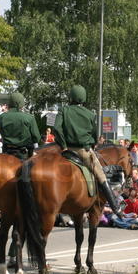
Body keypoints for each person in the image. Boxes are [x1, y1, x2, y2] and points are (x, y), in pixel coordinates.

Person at [53, 85, 123, 218]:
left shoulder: (64, 110)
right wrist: (90, 144)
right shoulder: (90, 114)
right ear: (83, 98)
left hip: (64, 150)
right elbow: (94, 135)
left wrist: (63, 146)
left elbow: (57, 128)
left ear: (71, 97)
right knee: (101, 176)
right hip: (83, 152)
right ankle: (115, 207)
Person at [0, 92, 41, 159]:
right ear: (21, 103)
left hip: (7, 151)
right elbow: (36, 138)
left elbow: (1, 132)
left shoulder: (2, 117)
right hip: (24, 153)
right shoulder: (29, 117)